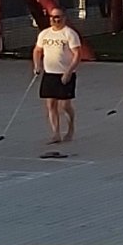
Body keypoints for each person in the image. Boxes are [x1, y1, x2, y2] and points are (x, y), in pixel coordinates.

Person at [32, 9, 88, 146]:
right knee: (51, 104)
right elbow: (37, 50)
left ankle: (70, 128)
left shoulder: (69, 33)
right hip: (49, 73)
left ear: (63, 18)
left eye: (57, 17)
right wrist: (37, 65)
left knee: (65, 105)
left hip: (65, 73)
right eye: (52, 17)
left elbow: (77, 54)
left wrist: (69, 71)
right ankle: (55, 133)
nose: (54, 19)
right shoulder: (45, 34)